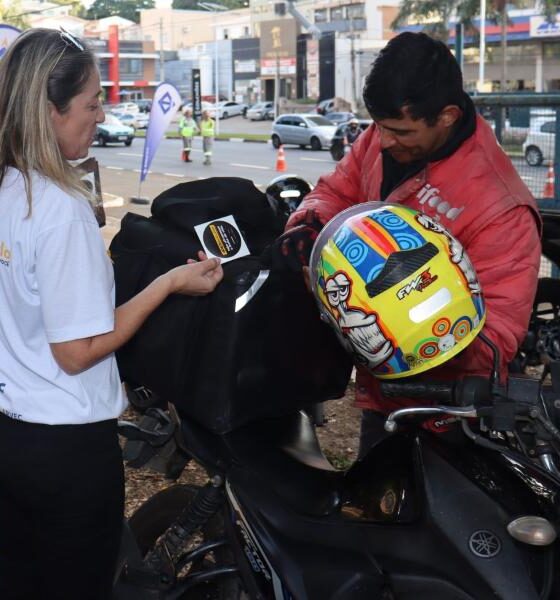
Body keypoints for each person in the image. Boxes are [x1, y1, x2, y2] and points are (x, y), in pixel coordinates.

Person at [0, 28, 223, 600]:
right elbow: (77, 352)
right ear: (49, 111)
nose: (101, 114)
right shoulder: (59, 208)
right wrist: (170, 283)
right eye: (92, 103)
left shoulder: (9, 187)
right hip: (65, 451)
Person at [272, 32, 542, 454]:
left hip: (450, 415)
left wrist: (406, 333)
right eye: (378, 127)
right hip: (383, 400)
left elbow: (497, 338)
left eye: (399, 130)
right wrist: (309, 227)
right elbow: (335, 192)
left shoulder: (500, 207)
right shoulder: (385, 139)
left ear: (448, 116)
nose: (382, 141)